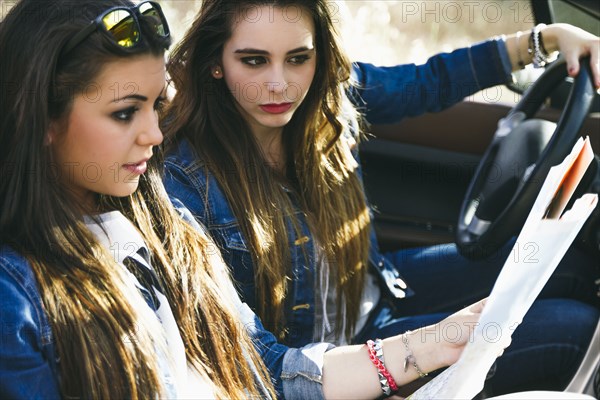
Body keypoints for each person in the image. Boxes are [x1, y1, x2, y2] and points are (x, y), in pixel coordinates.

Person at [0, 1, 496, 399]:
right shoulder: (16, 297)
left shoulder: (167, 227)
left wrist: (428, 347)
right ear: (41, 118)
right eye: (125, 113)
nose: (154, 134)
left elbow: (270, 369)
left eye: (157, 106)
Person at [163, 0, 600, 396]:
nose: (279, 84)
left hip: (377, 290)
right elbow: (255, 364)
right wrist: (418, 349)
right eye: (254, 61)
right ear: (216, 62)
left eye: (298, 58)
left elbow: (428, 82)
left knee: (573, 263)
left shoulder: (331, 98)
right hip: (337, 361)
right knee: (577, 326)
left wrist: (550, 39)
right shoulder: (184, 183)